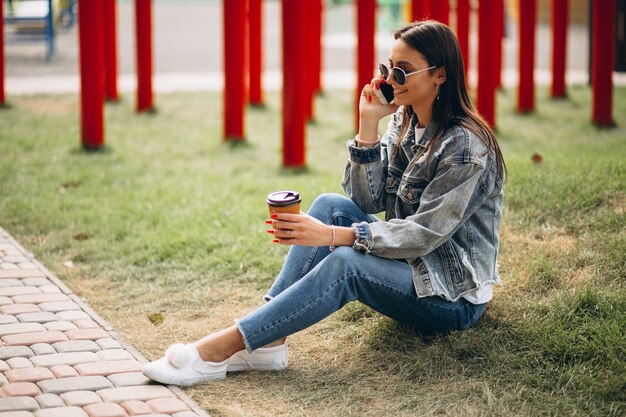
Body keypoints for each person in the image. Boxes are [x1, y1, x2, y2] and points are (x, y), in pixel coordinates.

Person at [143, 20, 505, 387]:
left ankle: (218, 349)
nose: (390, 81)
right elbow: (368, 200)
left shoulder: (464, 147)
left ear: (440, 75)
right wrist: (367, 126)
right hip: (411, 266)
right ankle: (268, 338)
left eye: (402, 72)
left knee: (347, 264)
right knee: (329, 203)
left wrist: (333, 236)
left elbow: (422, 234)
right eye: (387, 69)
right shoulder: (405, 120)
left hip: (451, 296)